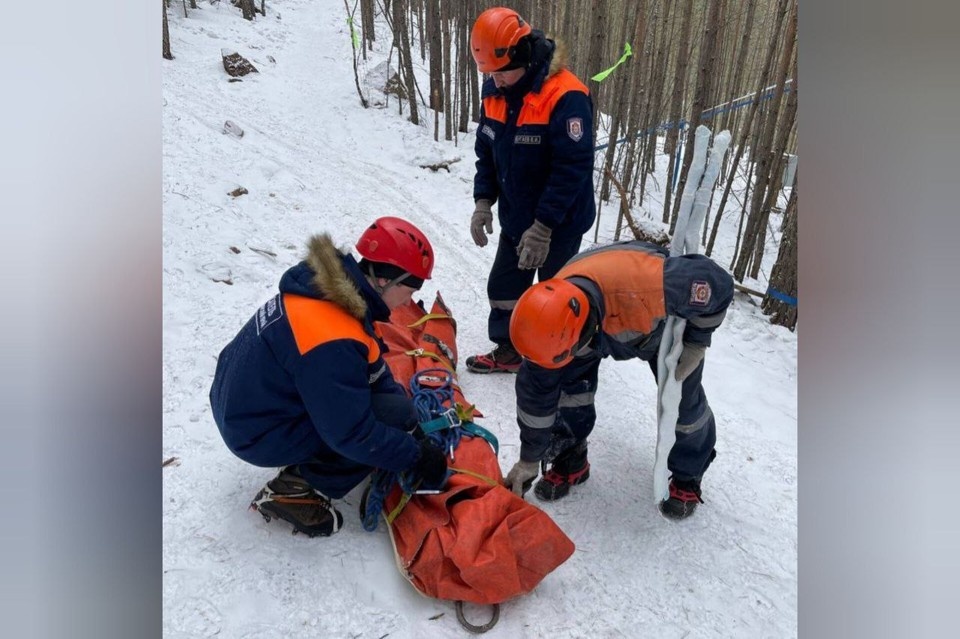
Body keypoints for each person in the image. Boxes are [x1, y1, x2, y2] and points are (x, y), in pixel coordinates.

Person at [209, 217, 449, 537]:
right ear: (383, 281)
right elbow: (353, 434)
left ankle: (306, 450)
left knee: (395, 413)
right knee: (367, 432)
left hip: (246, 404)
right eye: (410, 291)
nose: (408, 302)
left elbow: (374, 370)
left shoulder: (330, 293)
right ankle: (295, 492)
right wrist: (414, 457)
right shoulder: (333, 339)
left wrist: (410, 427)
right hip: (254, 432)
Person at [502, 241, 735, 519]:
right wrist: (529, 459)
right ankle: (570, 457)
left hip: (653, 319)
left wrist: (697, 341)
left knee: (683, 405)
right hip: (594, 318)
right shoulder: (546, 328)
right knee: (569, 391)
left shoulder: (656, 284)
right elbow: (536, 402)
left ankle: (688, 475)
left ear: (584, 331)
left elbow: (718, 283)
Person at [465, 6, 596, 374]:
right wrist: (483, 201)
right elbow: (487, 152)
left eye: (501, 72)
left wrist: (544, 228)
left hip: (561, 223)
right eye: (490, 73)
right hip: (516, 214)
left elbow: (572, 169)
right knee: (504, 288)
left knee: (556, 297)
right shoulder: (495, 90)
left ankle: (556, 364)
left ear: (522, 54)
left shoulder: (566, 96)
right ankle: (509, 350)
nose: (496, 80)